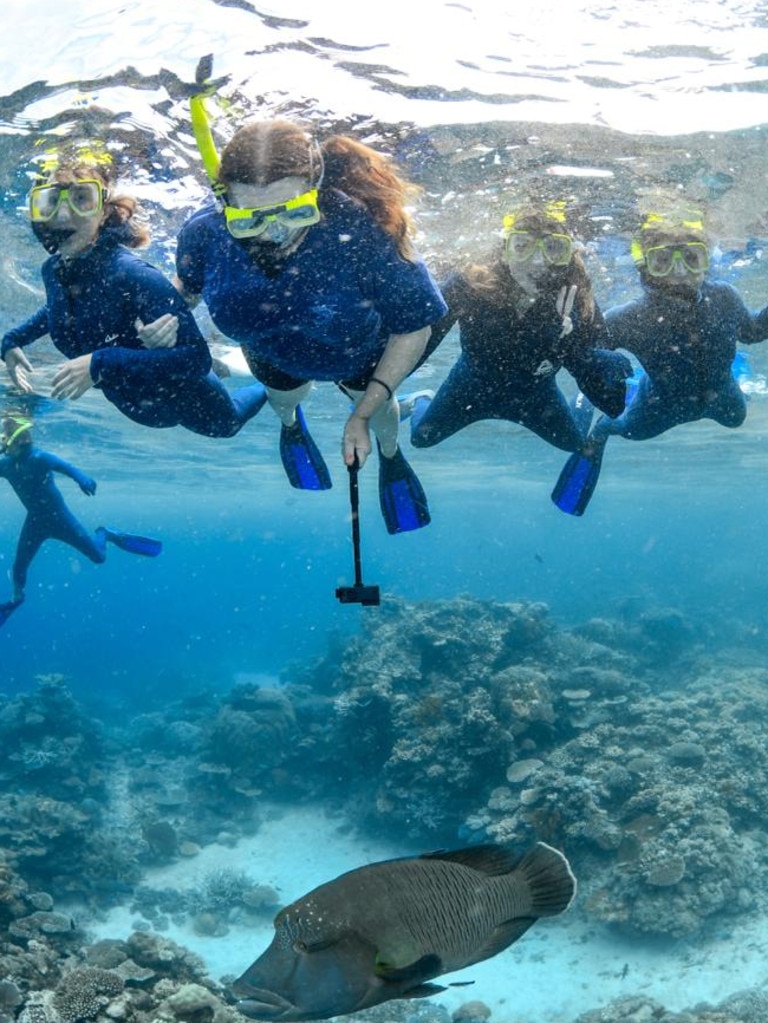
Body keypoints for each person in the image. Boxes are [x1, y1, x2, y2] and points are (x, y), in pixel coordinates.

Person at [170, 115, 448, 533]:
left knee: (378, 422)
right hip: (270, 353)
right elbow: (185, 291)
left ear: (315, 188)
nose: (273, 235)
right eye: (250, 219)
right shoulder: (204, 233)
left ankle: (391, 455)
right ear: (225, 201)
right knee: (285, 403)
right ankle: (290, 425)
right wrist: (164, 317)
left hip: (356, 356)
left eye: (293, 212)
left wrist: (362, 414)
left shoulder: (363, 228)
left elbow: (413, 328)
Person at [1, 144, 267, 437]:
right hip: (141, 404)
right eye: (51, 202)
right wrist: (13, 341)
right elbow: (58, 308)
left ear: (103, 212)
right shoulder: (53, 270)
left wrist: (101, 361)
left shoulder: (133, 274)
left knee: (227, 426)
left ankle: (272, 382)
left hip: (186, 397)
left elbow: (195, 358)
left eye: (82, 199)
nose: (64, 214)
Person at [552, 208, 768, 516]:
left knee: (737, 419)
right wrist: (567, 329)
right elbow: (588, 350)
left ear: (706, 262)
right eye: (664, 261)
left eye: (691, 258)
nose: (679, 271)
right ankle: (601, 430)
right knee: (628, 430)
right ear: (646, 267)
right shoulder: (633, 316)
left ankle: (736, 371)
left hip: (722, 394)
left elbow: (753, 331)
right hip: (661, 403)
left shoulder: (724, 297)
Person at [404, 202, 632, 457]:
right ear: (505, 251)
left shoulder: (576, 298)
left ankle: (581, 405)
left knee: (576, 446)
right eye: (522, 246)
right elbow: (422, 339)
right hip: (468, 387)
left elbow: (612, 404)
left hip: (536, 397)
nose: (537, 261)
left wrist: (571, 343)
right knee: (420, 439)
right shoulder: (470, 284)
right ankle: (420, 399)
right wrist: (381, 385)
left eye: (553, 248)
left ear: (567, 256)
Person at [0, 413, 162, 627]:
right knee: (19, 568)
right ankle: (17, 598)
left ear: (16, 439)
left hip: (60, 519)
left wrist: (82, 479)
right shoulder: (6, 464)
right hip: (35, 523)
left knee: (98, 557)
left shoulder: (38, 458)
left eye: (3, 437)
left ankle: (105, 533)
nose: (1, 441)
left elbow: (67, 467)